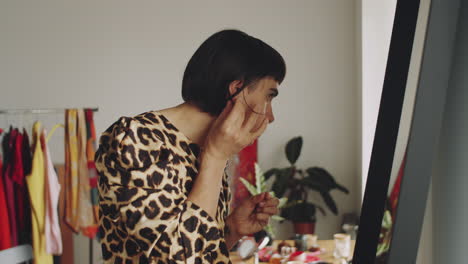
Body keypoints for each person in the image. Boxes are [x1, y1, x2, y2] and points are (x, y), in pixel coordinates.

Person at [95, 29, 286, 263]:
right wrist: (215, 159)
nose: (270, 115)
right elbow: (179, 259)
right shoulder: (135, 138)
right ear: (236, 89)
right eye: (269, 96)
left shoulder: (205, 148)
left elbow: (199, 251)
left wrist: (231, 229)